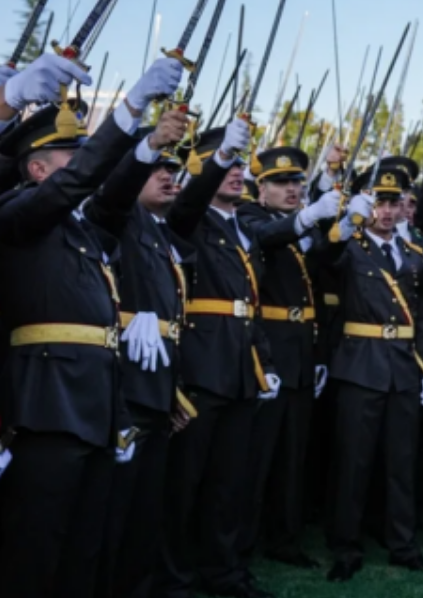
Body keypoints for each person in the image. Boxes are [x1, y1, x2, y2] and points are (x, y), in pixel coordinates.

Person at [0, 54, 179, 598]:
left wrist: (144, 143)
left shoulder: (83, 230)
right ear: (36, 168)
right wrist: (126, 111)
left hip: (97, 404)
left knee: (86, 545)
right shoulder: (19, 212)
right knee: (38, 546)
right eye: (68, 156)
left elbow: (114, 191)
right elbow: (77, 183)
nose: (82, 166)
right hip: (47, 404)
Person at [155, 117, 282, 598]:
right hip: (202, 368)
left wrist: (264, 362)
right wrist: (220, 156)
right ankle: (176, 578)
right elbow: (187, 201)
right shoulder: (186, 216)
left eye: (235, 165)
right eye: (218, 164)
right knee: (186, 484)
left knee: (230, 484)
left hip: (241, 369)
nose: (234, 174)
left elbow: (251, 306)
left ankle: (224, 571)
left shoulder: (244, 226)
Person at [83, 110, 193, 598]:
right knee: (115, 509)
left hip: (156, 384)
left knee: (145, 507)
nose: (168, 175)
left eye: (172, 170)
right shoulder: (121, 217)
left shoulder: (160, 233)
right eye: (156, 169)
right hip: (124, 384)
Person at [322, 162, 423, 581]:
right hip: (361, 364)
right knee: (354, 463)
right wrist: (344, 218)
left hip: (403, 368)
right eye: (380, 202)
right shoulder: (350, 245)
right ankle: (345, 547)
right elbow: (325, 256)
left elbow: (422, 315)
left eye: (394, 203)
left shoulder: (412, 254)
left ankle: (403, 545)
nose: (387, 211)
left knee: (401, 462)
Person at [235, 147, 342, 571]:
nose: (292, 189)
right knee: (257, 457)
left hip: (299, 351)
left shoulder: (302, 226)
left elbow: (321, 267)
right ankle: (243, 542)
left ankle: (285, 537)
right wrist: (310, 215)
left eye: (297, 182)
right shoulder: (250, 217)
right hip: (268, 352)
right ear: (260, 189)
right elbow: (271, 236)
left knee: (292, 457)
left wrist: (342, 226)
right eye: (281, 183)